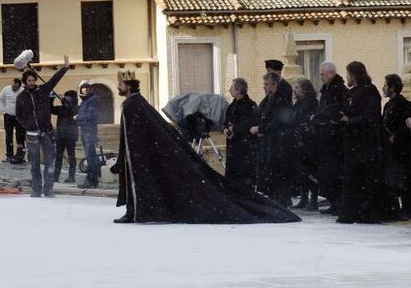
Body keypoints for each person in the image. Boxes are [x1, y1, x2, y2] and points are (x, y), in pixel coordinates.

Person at [110, 71, 301, 224]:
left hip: (247, 149)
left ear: (128, 86)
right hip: (236, 147)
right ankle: (133, 209)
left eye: (120, 85)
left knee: (246, 179)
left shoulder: (134, 104)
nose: (118, 87)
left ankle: (133, 211)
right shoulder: (134, 103)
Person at [337, 61, 385, 224]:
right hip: (353, 145)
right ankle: (352, 212)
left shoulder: (369, 91)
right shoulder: (353, 93)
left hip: (365, 145)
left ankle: (368, 213)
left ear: (355, 75)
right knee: (353, 180)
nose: (347, 77)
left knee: (365, 180)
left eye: (348, 74)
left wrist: (349, 120)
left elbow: (370, 117)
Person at [16, 55, 70, 197]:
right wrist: (27, 124)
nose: (32, 82)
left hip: (47, 132)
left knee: (49, 163)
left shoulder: (44, 90)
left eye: (34, 80)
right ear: (25, 82)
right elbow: (18, 115)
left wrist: (64, 68)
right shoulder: (21, 97)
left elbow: (54, 79)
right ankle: (36, 189)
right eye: (29, 80)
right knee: (34, 164)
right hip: (32, 134)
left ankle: (48, 189)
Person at [250, 73, 294, 207]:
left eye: (266, 84)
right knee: (271, 171)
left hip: (279, 141)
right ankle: (274, 199)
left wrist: (260, 129)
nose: (264, 87)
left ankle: (281, 201)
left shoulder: (281, 101)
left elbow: (278, 122)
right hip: (270, 141)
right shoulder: (269, 99)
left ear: (274, 85)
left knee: (278, 172)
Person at [313, 61, 348, 215]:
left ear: (331, 73)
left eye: (322, 74)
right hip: (326, 136)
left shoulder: (339, 89)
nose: (321, 77)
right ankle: (334, 202)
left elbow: (336, 109)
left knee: (335, 172)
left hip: (335, 137)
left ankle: (339, 203)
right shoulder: (327, 89)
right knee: (328, 172)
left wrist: (323, 115)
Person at [382, 74, 411, 219]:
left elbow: (405, 126)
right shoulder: (388, 105)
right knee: (392, 180)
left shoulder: (403, 104)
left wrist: (396, 136)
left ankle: (406, 209)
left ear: (392, 87)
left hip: (401, 150)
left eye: (386, 85)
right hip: (390, 150)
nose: (383, 88)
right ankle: (394, 209)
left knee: (403, 180)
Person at [223, 78, 258, 188]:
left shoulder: (250, 105)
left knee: (244, 176)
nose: (229, 90)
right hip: (233, 145)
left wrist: (235, 129)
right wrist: (225, 129)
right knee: (233, 175)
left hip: (245, 147)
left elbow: (251, 123)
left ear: (238, 90)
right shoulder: (232, 105)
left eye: (232, 88)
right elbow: (226, 121)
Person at [292, 78, 319, 210]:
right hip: (298, 141)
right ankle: (303, 197)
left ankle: (313, 199)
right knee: (302, 171)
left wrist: (304, 131)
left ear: (305, 89)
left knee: (311, 171)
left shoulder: (312, 103)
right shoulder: (297, 104)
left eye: (297, 87)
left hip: (310, 143)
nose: (294, 90)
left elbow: (311, 121)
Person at [51, 90, 79, 183]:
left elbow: (72, 111)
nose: (66, 98)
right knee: (58, 157)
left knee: (71, 156)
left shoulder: (76, 107)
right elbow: (51, 109)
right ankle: (56, 177)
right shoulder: (61, 108)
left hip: (70, 136)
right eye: (66, 96)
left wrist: (65, 102)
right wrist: (51, 99)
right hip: (60, 136)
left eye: (68, 97)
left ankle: (71, 177)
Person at [76, 81, 100, 188]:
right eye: (83, 88)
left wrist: (78, 118)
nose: (85, 89)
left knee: (91, 156)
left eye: (87, 87)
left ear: (90, 89)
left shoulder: (92, 99)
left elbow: (91, 115)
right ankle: (93, 180)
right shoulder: (85, 101)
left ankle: (91, 179)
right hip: (85, 130)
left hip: (89, 130)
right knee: (91, 156)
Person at [0, 78, 26, 163]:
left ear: (19, 86)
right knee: (8, 136)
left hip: (19, 117)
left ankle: (20, 154)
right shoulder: (6, 89)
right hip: (8, 116)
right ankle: (9, 155)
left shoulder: (23, 90)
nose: (15, 89)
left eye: (16, 88)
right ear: (12, 83)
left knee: (20, 136)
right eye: (14, 87)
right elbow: (0, 100)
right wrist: (4, 111)